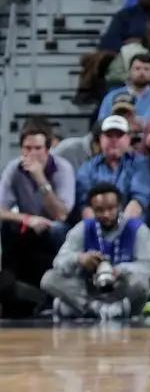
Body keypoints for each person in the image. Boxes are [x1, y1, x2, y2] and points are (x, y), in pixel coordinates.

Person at [41, 183, 150, 321]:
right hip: (89, 288)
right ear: (92, 209)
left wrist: (121, 269)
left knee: (141, 283)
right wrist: (79, 258)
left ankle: (80, 309)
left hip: (120, 287)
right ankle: (99, 309)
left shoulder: (138, 230)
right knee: (49, 278)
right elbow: (58, 262)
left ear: (120, 206)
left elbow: (148, 265)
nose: (106, 214)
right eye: (100, 210)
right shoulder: (82, 228)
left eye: (111, 208)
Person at [0, 122, 74, 291]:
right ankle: (9, 285)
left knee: (56, 229)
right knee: (8, 225)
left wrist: (40, 178)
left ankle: (54, 285)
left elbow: (61, 214)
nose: (32, 153)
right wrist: (27, 218)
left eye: (38, 148)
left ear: (47, 149)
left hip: (56, 225)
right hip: (29, 223)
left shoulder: (63, 168)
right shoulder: (14, 168)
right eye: (27, 148)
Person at [74, 114, 150, 219]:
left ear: (128, 139)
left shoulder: (140, 163)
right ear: (101, 139)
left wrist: (119, 226)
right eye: (109, 135)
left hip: (131, 224)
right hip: (96, 223)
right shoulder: (87, 168)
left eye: (119, 135)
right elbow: (85, 204)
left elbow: (139, 199)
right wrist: (100, 227)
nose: (114, 140)